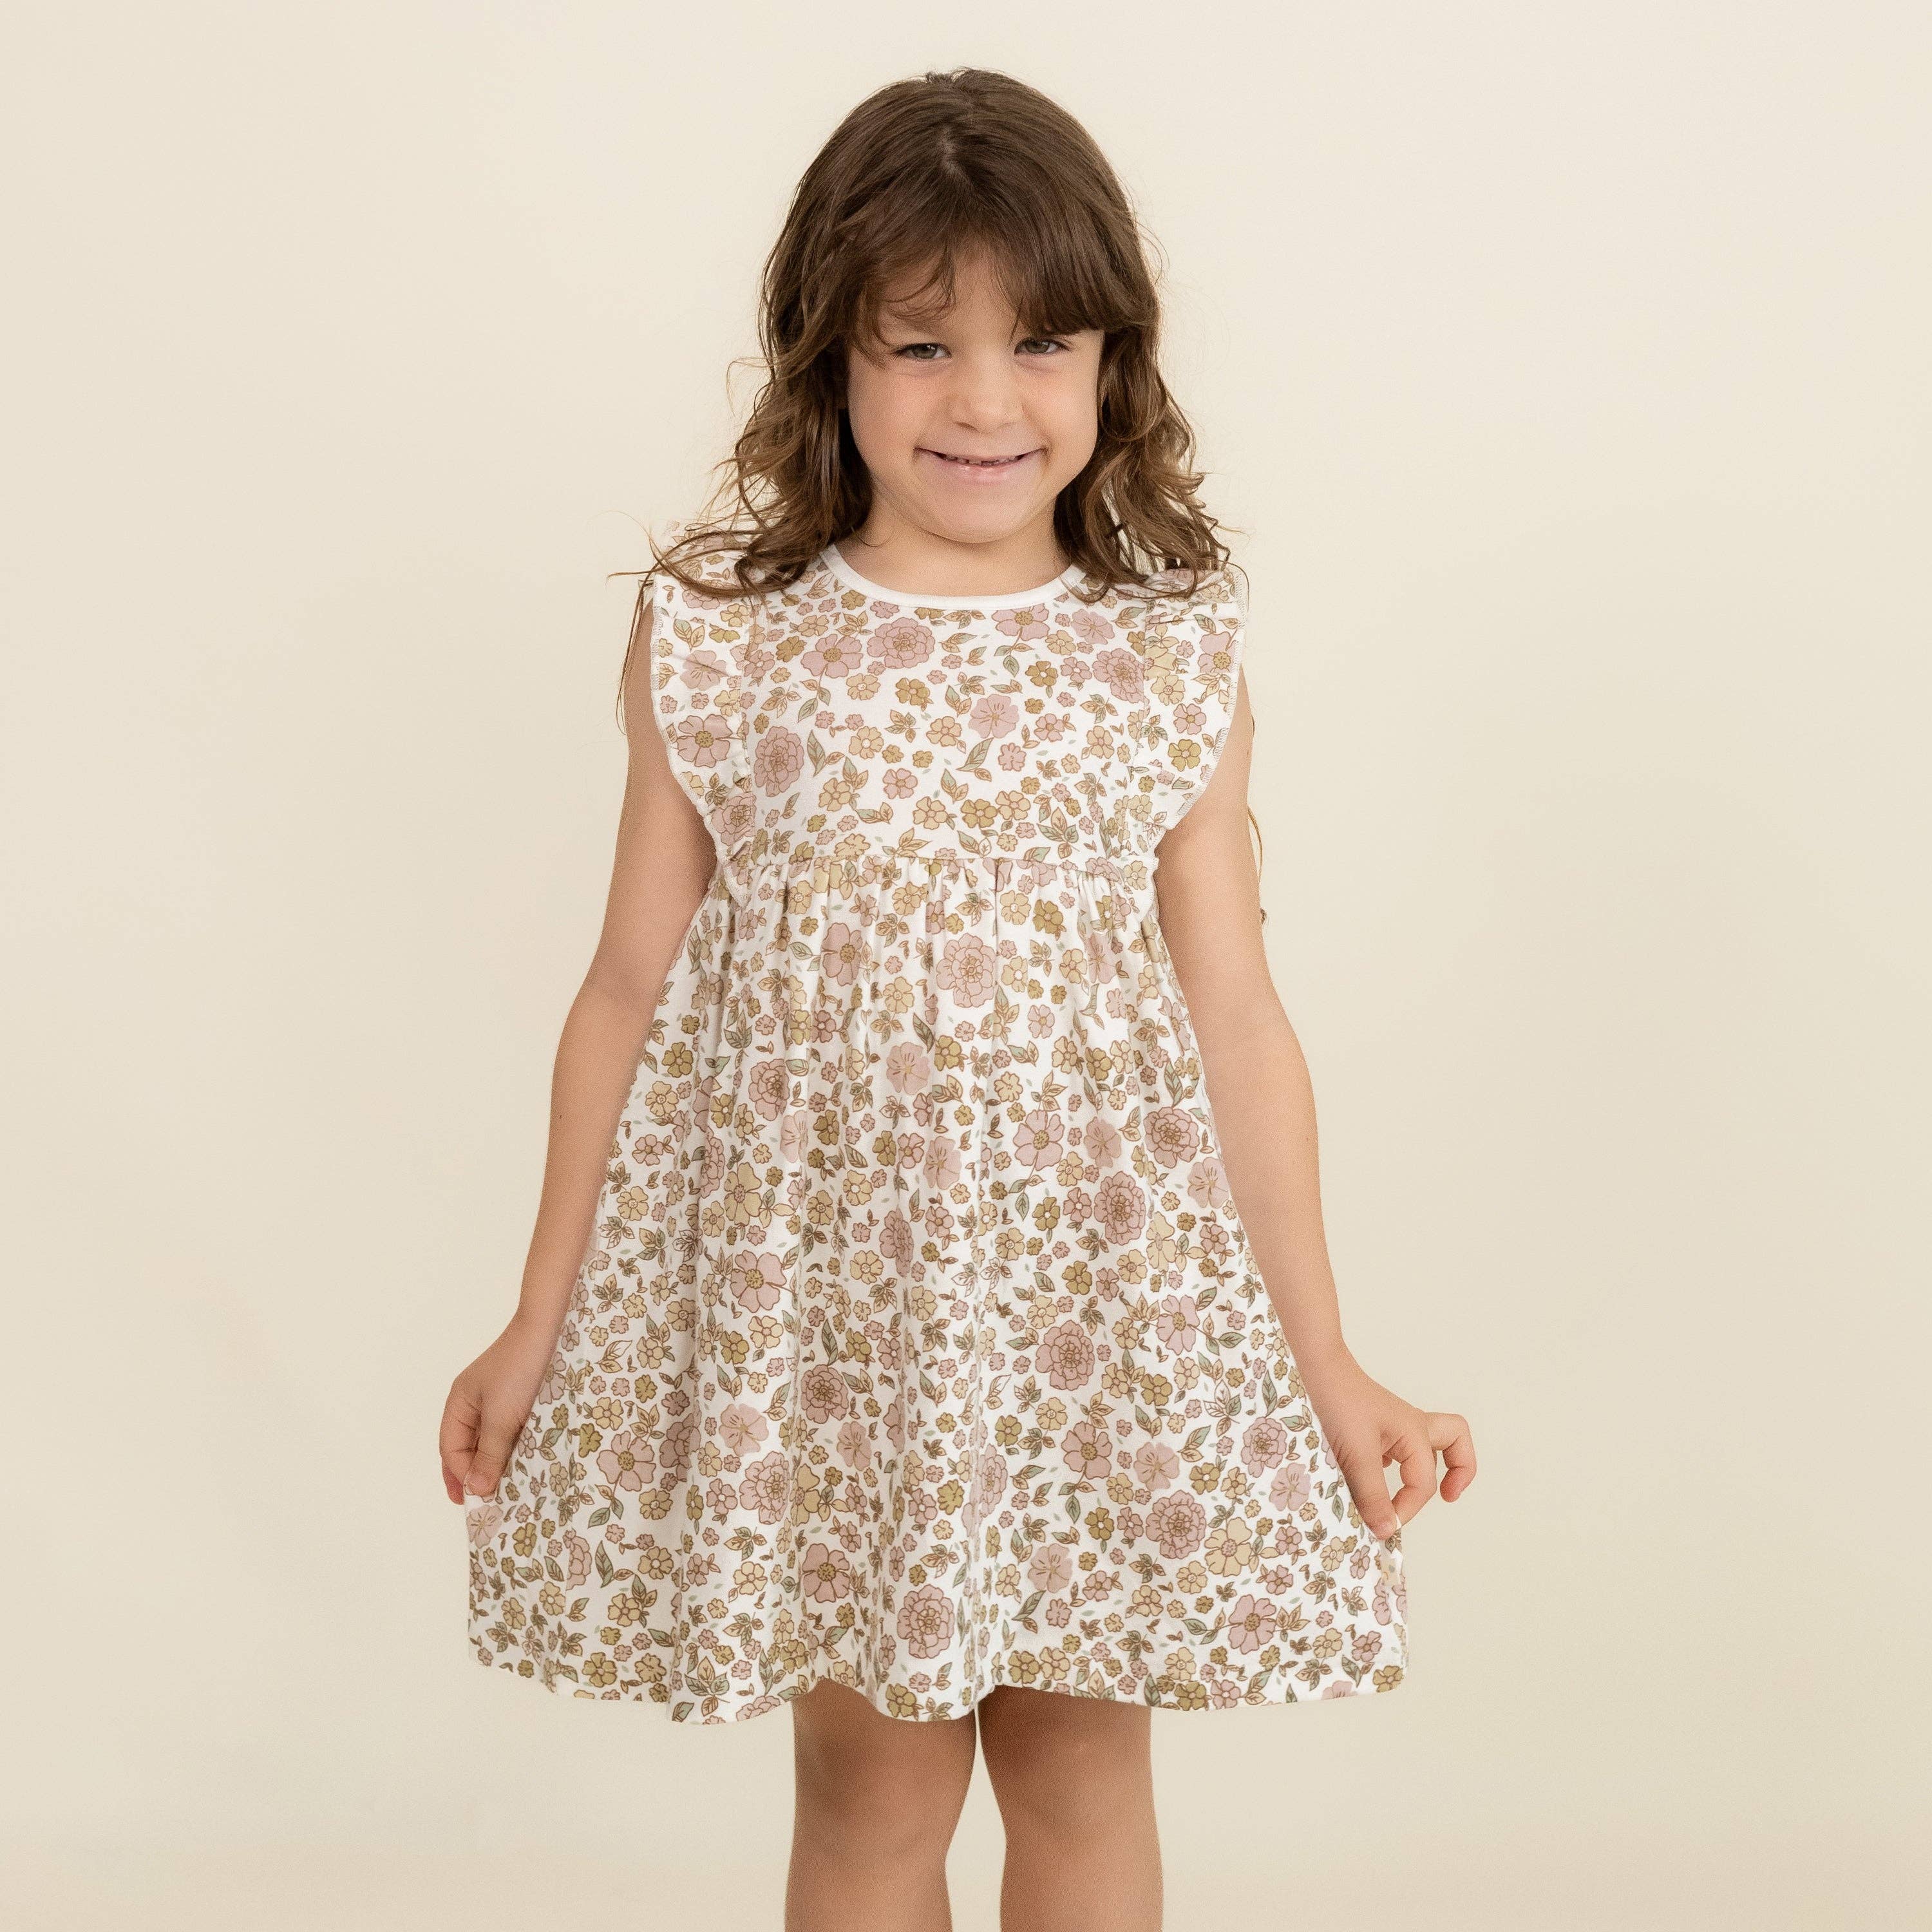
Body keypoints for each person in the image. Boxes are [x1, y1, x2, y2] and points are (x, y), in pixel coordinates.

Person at [439, 65, 1475, 1932]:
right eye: (921, 345)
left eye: (1040, 343)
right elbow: (624, 989)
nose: (986, 401)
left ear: (1112, 364)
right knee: (872, 1790)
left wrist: (1326, 1362)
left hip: (1091, 1329)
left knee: (1080, 1777)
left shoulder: (1164, 656)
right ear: (828, 362)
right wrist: (539, 1317)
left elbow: (1238, 1018)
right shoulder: (729, 644)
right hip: (840, 1333)